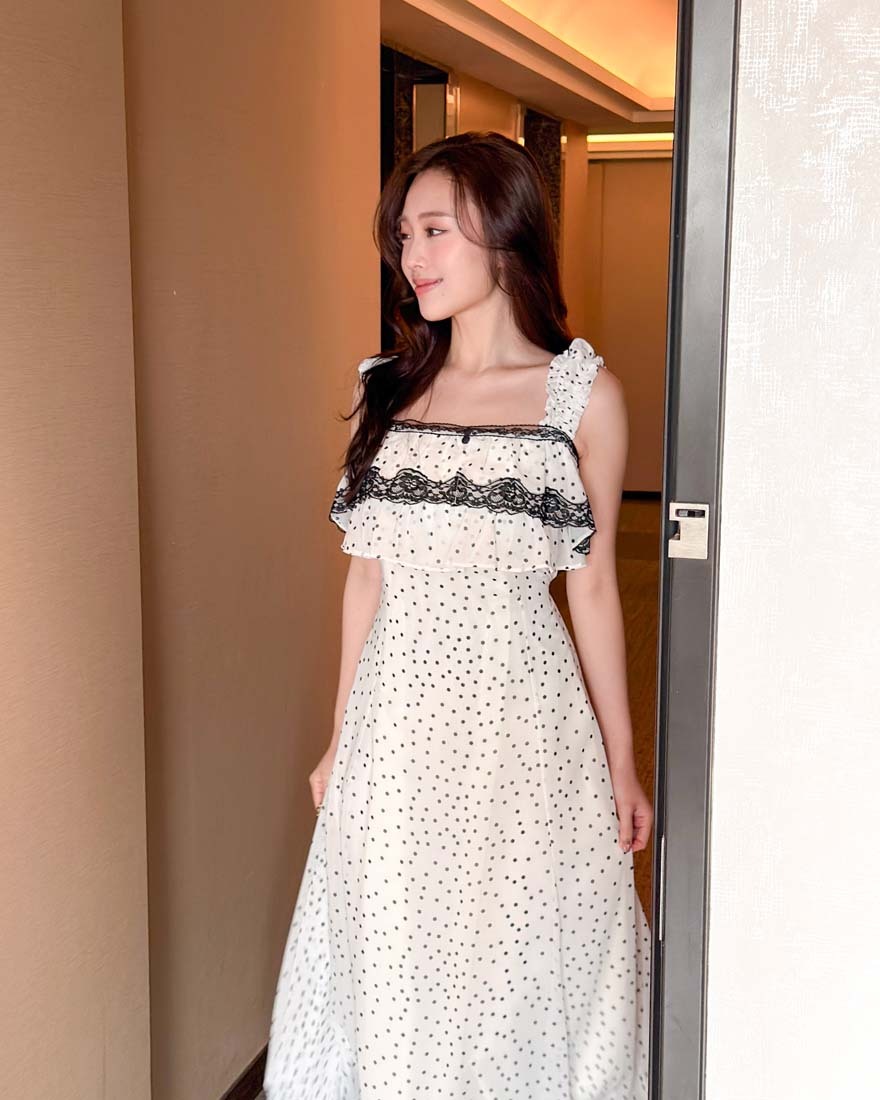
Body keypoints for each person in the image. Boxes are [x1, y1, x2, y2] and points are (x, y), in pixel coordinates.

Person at [263, 130, 653, 1100]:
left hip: (525, 720)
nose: (412, 257)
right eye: (403, 235)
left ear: (506, 231)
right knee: (398, 945)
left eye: (435, 230)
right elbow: (365, 579)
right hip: (397, 722)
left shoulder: (583, 396)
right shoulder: (385, 388)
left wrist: (620, 760)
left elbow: (592, 585)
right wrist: (339, 737)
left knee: (512, 950)